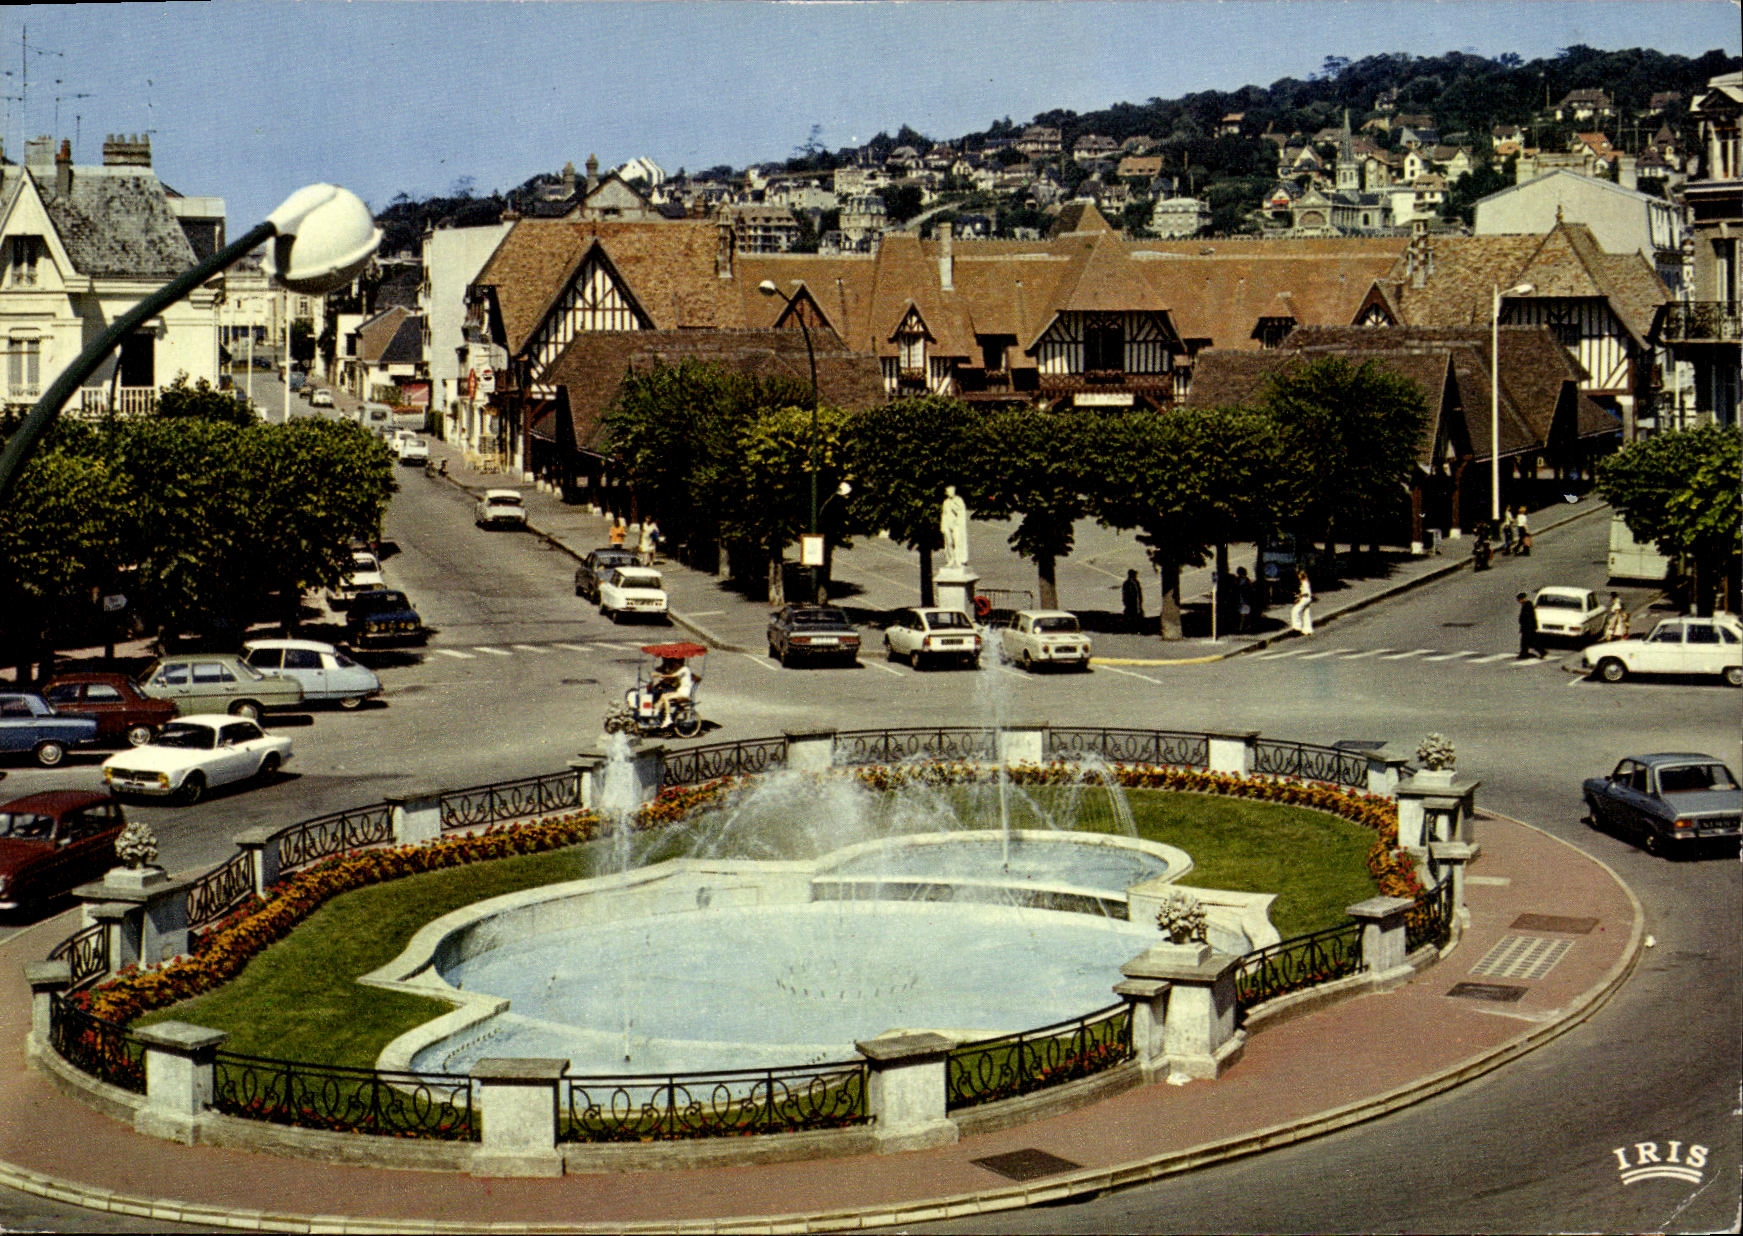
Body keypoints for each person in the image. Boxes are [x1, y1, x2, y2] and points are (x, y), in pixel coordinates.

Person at [649, 657, 695, 730]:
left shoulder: (684, 669)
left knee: (665, 697)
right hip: (680, 691)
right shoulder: (681, 669)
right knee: (663, 695)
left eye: (675, 663)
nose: (674, 664)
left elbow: (673, 675)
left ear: (678, 663)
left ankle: (667, 718)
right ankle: (657, 710)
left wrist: (658, 675)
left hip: (683, 692)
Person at [940, 486, 969, 570]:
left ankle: (958, 559)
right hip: (947, 524)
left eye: (951, 491)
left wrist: (954, 507)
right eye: (948, 492)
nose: (950, 493)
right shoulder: (945, 502)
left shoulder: (958, 500)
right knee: (949, 542)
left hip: (956, 525)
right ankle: (951, 559)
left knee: (957, 542)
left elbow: (961, 511)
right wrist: (943, 525)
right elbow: (944, 514)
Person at [1516, 591, 1544, 659]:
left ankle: (1524, 654)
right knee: (1531, 641)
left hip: (1528, 627)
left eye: (1519, 599)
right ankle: (1542, 652)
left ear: (1523, 599)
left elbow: (1529, 617)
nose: (1519, 601)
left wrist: (1530, 627)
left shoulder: (1527, 605)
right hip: (1528, 627)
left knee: (1525, 642)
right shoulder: (1526, 605)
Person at [1290, 567, 1314, 635]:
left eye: (1299, 575)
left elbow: (1305, 593)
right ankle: (1308, 629)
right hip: (1307, 598)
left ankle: (1297, 627)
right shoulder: (1305, 582)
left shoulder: (1304, 582)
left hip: (1305, 598)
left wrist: (1299, 596)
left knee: (1295, 611)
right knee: (1306, 613)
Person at [1234, 567, 1256, 632]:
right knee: (1241, 614)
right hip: (1239, 599)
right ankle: (1243, 626)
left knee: (1244, 614)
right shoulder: (1237, 580)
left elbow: (1250, 590)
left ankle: (1243, 627)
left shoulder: (1246, 580)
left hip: (1245, 599)